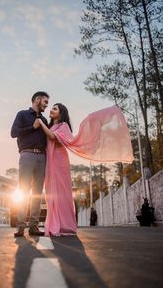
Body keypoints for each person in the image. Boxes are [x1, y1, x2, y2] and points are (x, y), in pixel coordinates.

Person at [38, 103, 134, 237]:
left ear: (61, 113)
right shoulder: (50, 126)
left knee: (61, 194)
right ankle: (54, 223)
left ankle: (64, 226)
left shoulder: (63, 126)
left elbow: (53, 137)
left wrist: (40, 124)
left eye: (55, 108)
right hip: (50, 163)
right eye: (52, 108)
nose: (51, 110)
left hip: (59, 162)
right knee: (50, 193)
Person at [11, 91, 49, 237]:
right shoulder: (22, 114)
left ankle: (33, 226)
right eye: (45, 102)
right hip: (26, 155)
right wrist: (32, 127)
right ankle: (20, 226)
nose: (46, 105)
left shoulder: (45, 120)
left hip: (42, 157)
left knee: (38, 194)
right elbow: (13, 133)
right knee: (24, 191)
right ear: (37, 100)